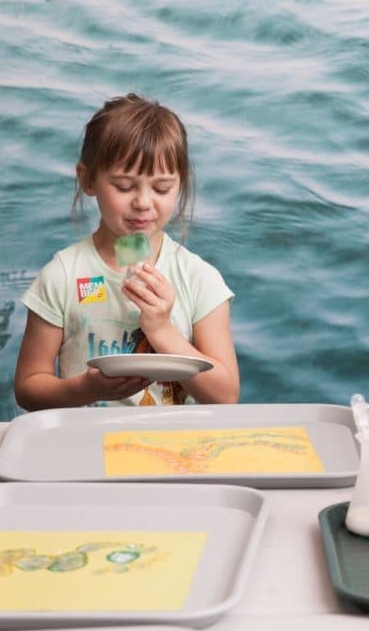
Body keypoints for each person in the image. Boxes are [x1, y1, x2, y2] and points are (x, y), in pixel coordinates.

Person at [14, 94, 239, 410]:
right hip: (86, 444)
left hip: (170, 448)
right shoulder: (63, 275)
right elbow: (27, 388)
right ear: (88, 180)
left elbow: (226, 396)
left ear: (181, 185)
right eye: (124, 186)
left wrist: (162, 329)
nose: (144, 203)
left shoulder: (199, 279)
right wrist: (85, 389)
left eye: (161, 189)